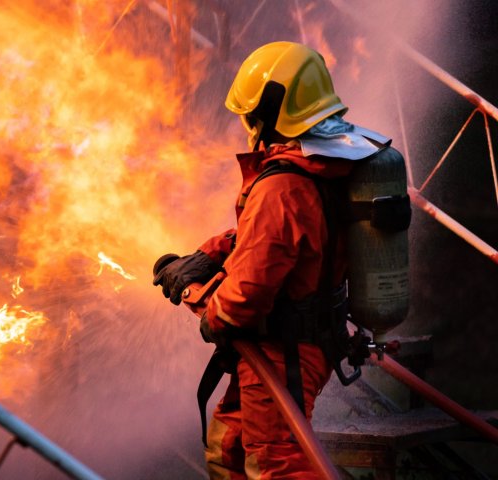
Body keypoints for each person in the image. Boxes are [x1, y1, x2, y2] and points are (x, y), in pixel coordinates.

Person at [154, 41, 400, 479]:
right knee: (228, 448)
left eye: (250, 114)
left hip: (282, 349)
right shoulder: (330, 162)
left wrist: (196, 295)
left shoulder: (281, 186)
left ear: (271, 111)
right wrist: (206, 255)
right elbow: (276, 236)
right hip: (306, 340)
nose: (247, 124)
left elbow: (242, 301)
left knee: (278, 465)